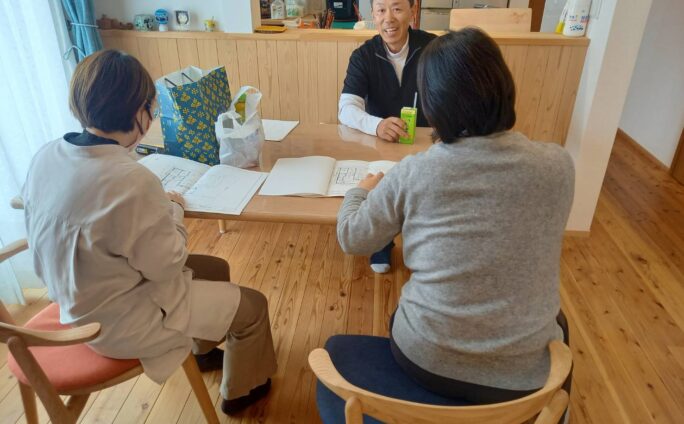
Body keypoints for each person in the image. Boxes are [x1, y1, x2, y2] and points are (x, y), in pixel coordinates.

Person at [21, 50, 277, 415]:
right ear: (138, 112)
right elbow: (168, 264)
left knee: (214, 268)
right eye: (152, 110)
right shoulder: (130, 181)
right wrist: (173, 209)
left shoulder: (47, 155)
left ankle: (202, 352)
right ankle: (242, 392)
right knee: (254, 306)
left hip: (73, 297)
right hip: (120, 324)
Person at [336, 28, 575, 405]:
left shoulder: (415, 173)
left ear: (433, 105)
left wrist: (360, 190)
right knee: (559, 323)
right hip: (529, 374)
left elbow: (351, 237)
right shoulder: (559, 165)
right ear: (504, 87)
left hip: (426, 358)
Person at [338, 0, 436, 273]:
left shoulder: (433, 49)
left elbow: (452, 95)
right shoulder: (364, 55)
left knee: (426, 193)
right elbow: (346, 109)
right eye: (381, 10)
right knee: (380, 187)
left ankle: (423, 245)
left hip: (424, 144)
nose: (388, 18)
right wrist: (377, 125)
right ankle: (381, 243)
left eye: (397, 8)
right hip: (378, 145)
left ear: (412, 12)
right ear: (373, 15)